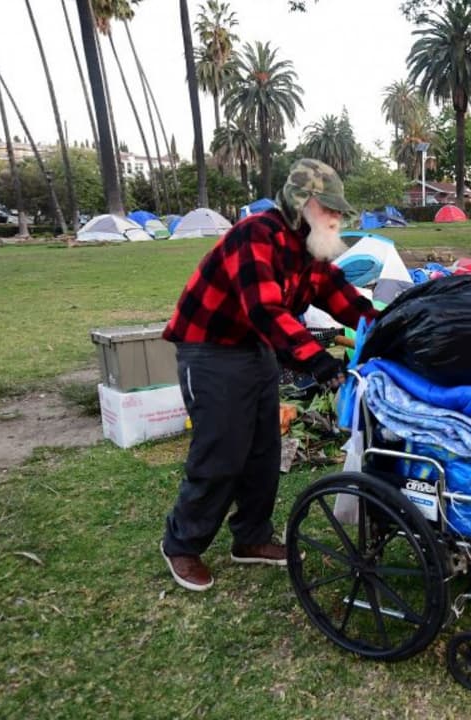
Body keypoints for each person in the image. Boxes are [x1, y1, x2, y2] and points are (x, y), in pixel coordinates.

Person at [159, 158, 379, 592]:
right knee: (221, 451)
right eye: (329, 209)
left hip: (254, 346)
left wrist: (381, 323)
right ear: (301, 204)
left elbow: (336, 292)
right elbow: (264, 308)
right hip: (210, 349)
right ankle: (182, 544)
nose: (337, 218)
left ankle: (252, 538)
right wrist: (316, 359)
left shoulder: (308, 248)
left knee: (263, 449)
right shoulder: (255, 235)